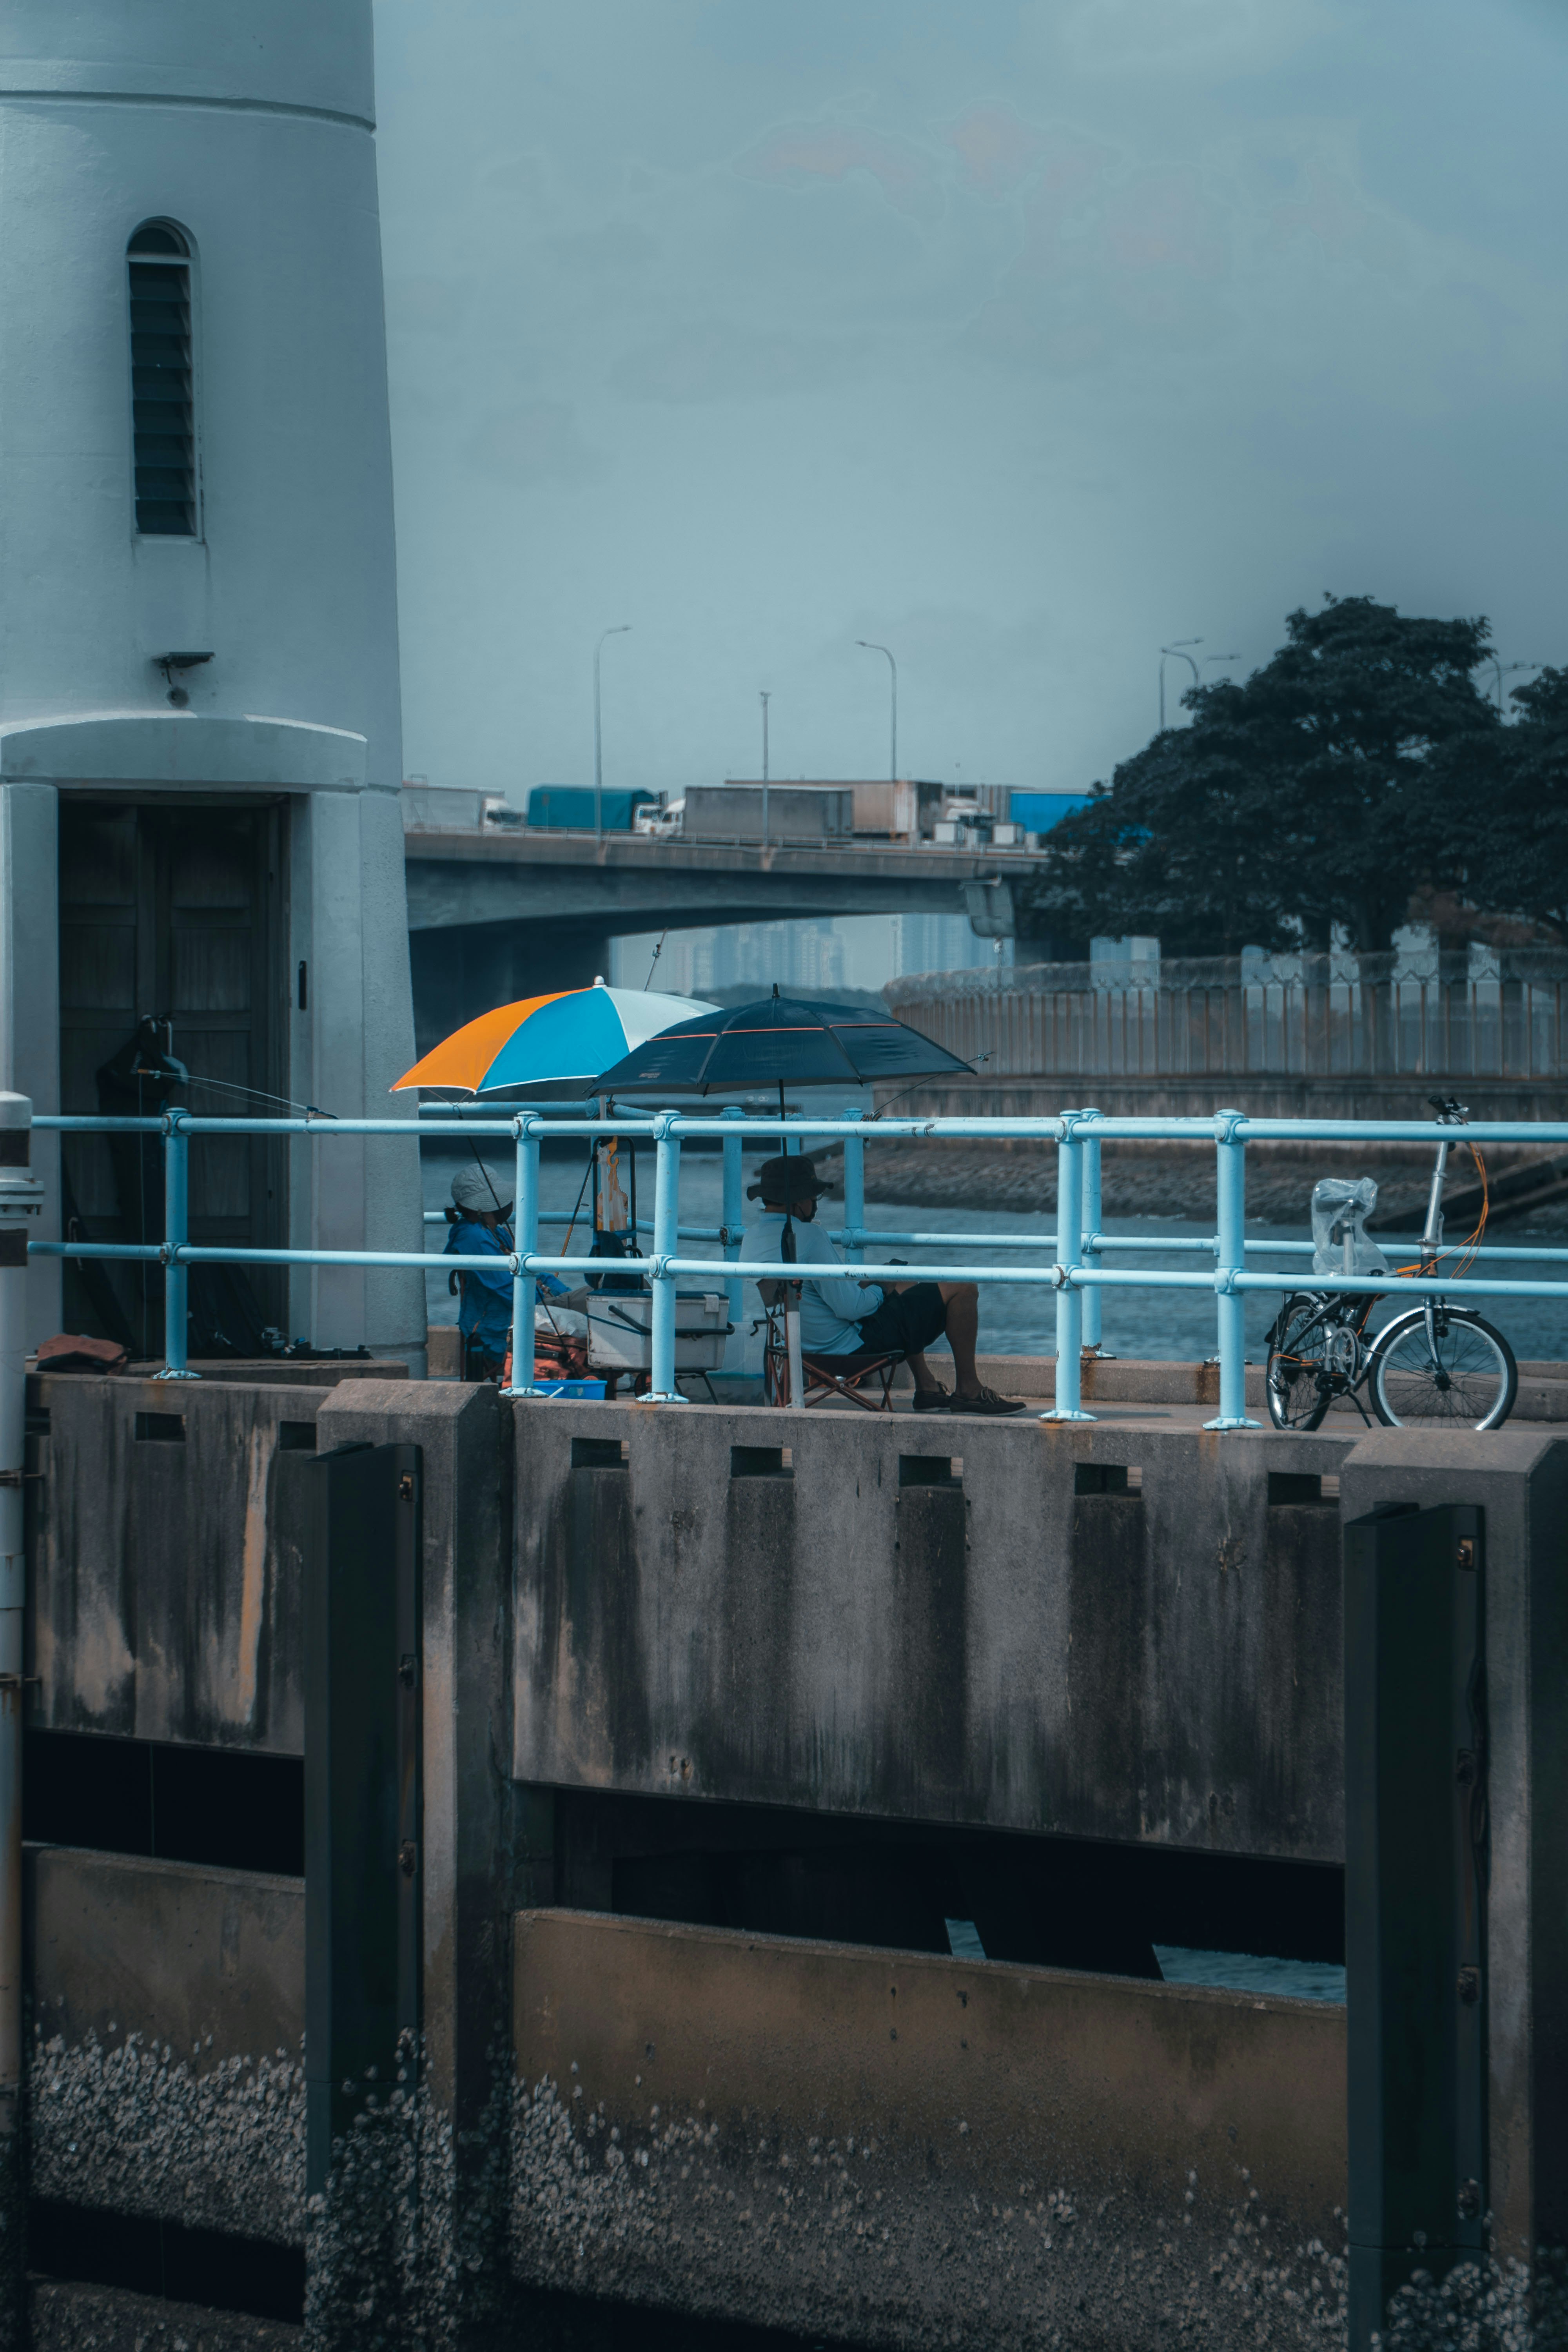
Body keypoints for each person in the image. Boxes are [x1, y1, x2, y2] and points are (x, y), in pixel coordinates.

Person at [745, 1154, 1022, 1416]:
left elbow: (821, 1298)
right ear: (799, 1200)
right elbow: (850, 1309)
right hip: (852, 1350)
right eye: (814, 1196)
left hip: (801, 1350)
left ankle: (927, 1389)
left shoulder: (751, 1239)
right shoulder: (809, 1236)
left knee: (902, 1285)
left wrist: (881, 1286)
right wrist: (882, 1287)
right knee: (961, 1283)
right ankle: (969, 1391)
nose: (815, 1203)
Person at [443, 1163, 577, 1382]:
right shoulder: (471, 1237)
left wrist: (561, 1295)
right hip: (497, 1327)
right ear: (480, 1206)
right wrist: (550, 1303)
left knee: (593, 1302)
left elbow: (534, 1270)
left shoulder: (497, 1232)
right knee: (593, 1320)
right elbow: (507, 1288)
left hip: (532, 1309)